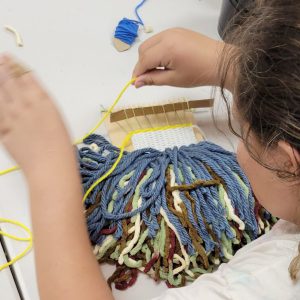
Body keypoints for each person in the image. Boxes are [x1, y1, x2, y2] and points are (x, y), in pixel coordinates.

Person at [0, 0, 299, 299]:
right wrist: (234, 65)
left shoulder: (273, 283)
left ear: (287, 163)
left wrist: (50, 173)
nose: (237, 149)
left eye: (241, 133)